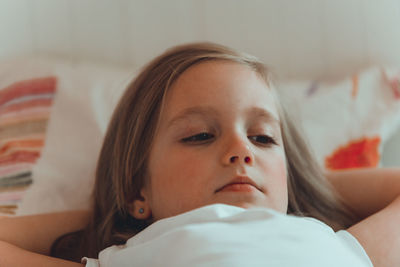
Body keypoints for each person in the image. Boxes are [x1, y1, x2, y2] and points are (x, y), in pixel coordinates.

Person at [1, 42, 400, 266]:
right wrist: (117, 204)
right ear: (138, 187)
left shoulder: (335, 247)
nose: (240, 150)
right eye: (200, 135)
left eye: (262, 138)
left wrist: (296, 182)